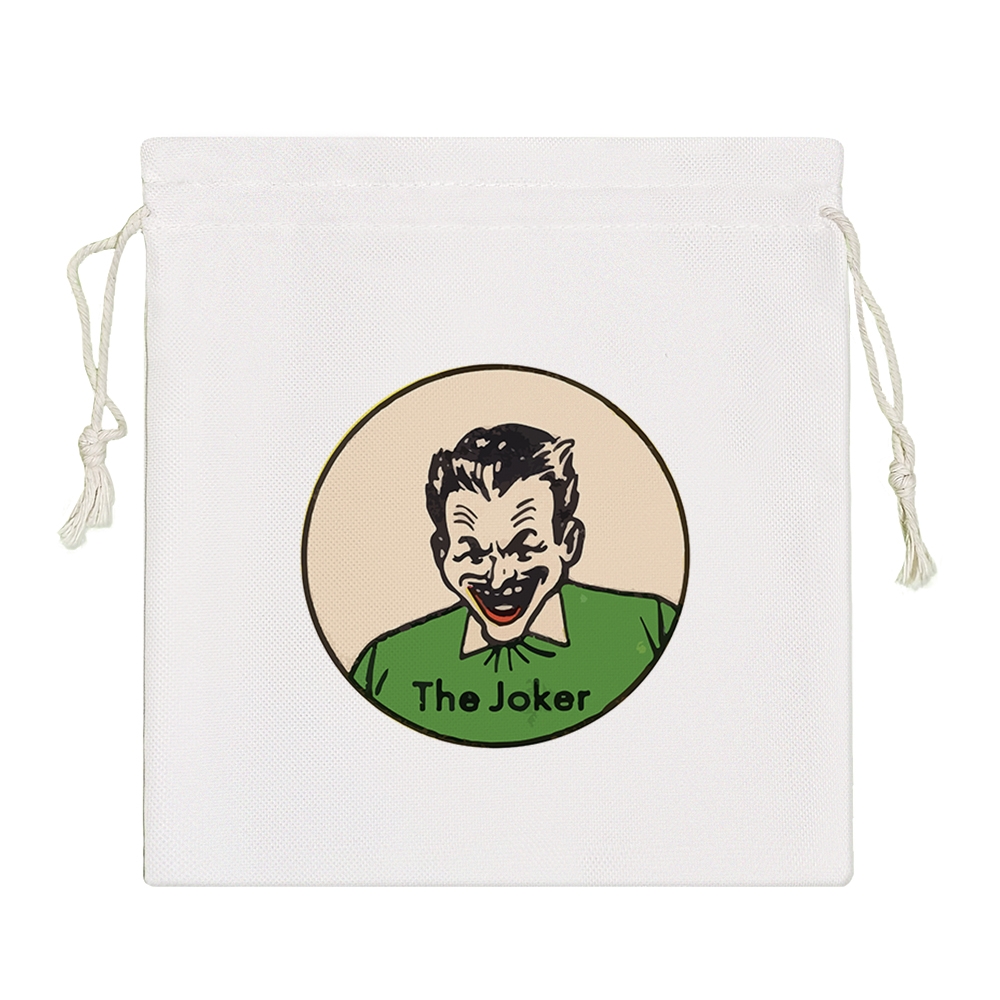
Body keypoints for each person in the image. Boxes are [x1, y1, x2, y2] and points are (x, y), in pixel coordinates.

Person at [350, 423, 679, 744]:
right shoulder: (387, 668)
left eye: (523, 550)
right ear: (441, 553)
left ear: (568, 541)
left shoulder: (650, 628)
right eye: (473, 554)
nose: (498, 577)